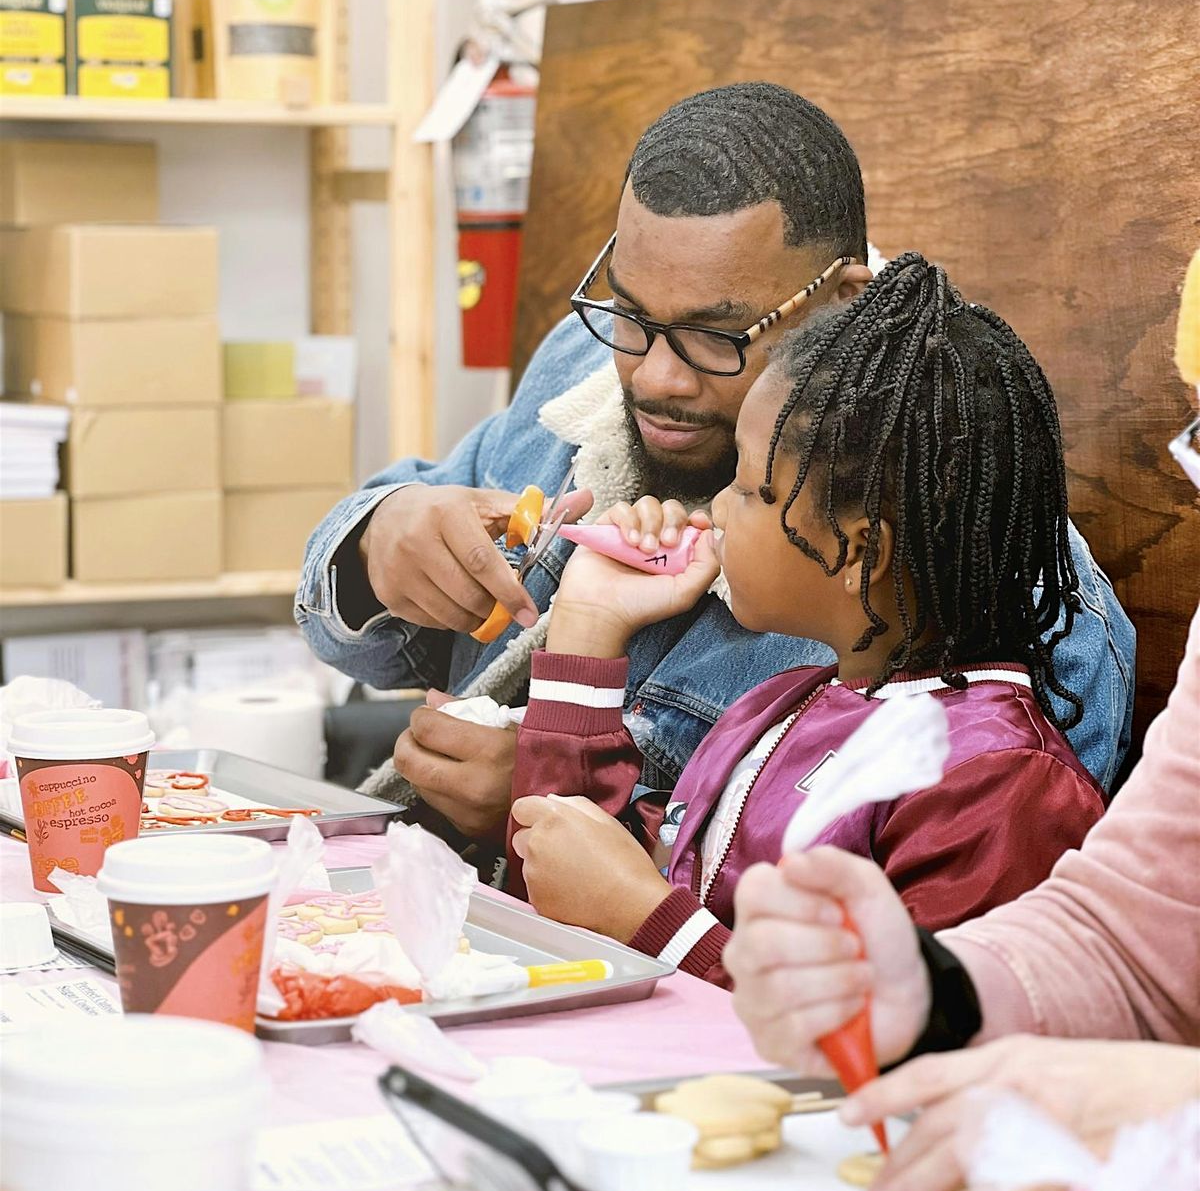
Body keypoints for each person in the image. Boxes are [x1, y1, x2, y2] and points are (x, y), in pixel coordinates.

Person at [296, 84, 1134, 856]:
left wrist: (550, 796)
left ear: (840, 303)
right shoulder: (582, 371)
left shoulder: (985, 597)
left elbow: (930, 926)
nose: (656, 378)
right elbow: (361, 648)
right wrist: (381, 541)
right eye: (631, 313)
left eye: (715, 336)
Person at [722, 248, 1200, 1191]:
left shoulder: (997, 765)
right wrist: (939, 992)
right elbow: (1134, 940)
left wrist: (1166, 1104)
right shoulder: (786, 703)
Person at [507, 253, 1107, 977]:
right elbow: (569, 895)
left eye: (752, 488)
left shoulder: (998, 784)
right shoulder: (776, 709)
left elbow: (916, 1044)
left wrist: (651, 922)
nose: (719, 507)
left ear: (859, 550)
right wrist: (587, 625)